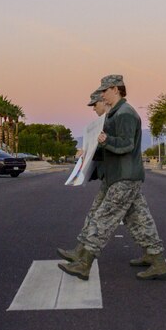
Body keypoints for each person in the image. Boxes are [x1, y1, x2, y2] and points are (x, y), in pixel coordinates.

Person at [58, 75, 166, 281]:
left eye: (104, 91)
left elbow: (126, 145)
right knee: (139, 219)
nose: (101, 95)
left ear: (116, 89)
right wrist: (91, 150)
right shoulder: (115, 114)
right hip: (116, 176)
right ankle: (156, 260)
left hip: (124, 176)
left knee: (104, 218)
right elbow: (108, 147)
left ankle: (84, 263)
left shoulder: (125, 114)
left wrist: (106, 140)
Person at [56, 89, 110, 263]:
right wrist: (86, 152)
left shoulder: (114, 120)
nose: (93, 109)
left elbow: (119, 148)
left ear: (104, 101)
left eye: (95, 104)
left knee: (99, 218)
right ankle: (155, 256)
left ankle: (83, 259)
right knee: (139, 219)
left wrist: (94, 150)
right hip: (112, 177)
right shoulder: (104, 122)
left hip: (120, 178)